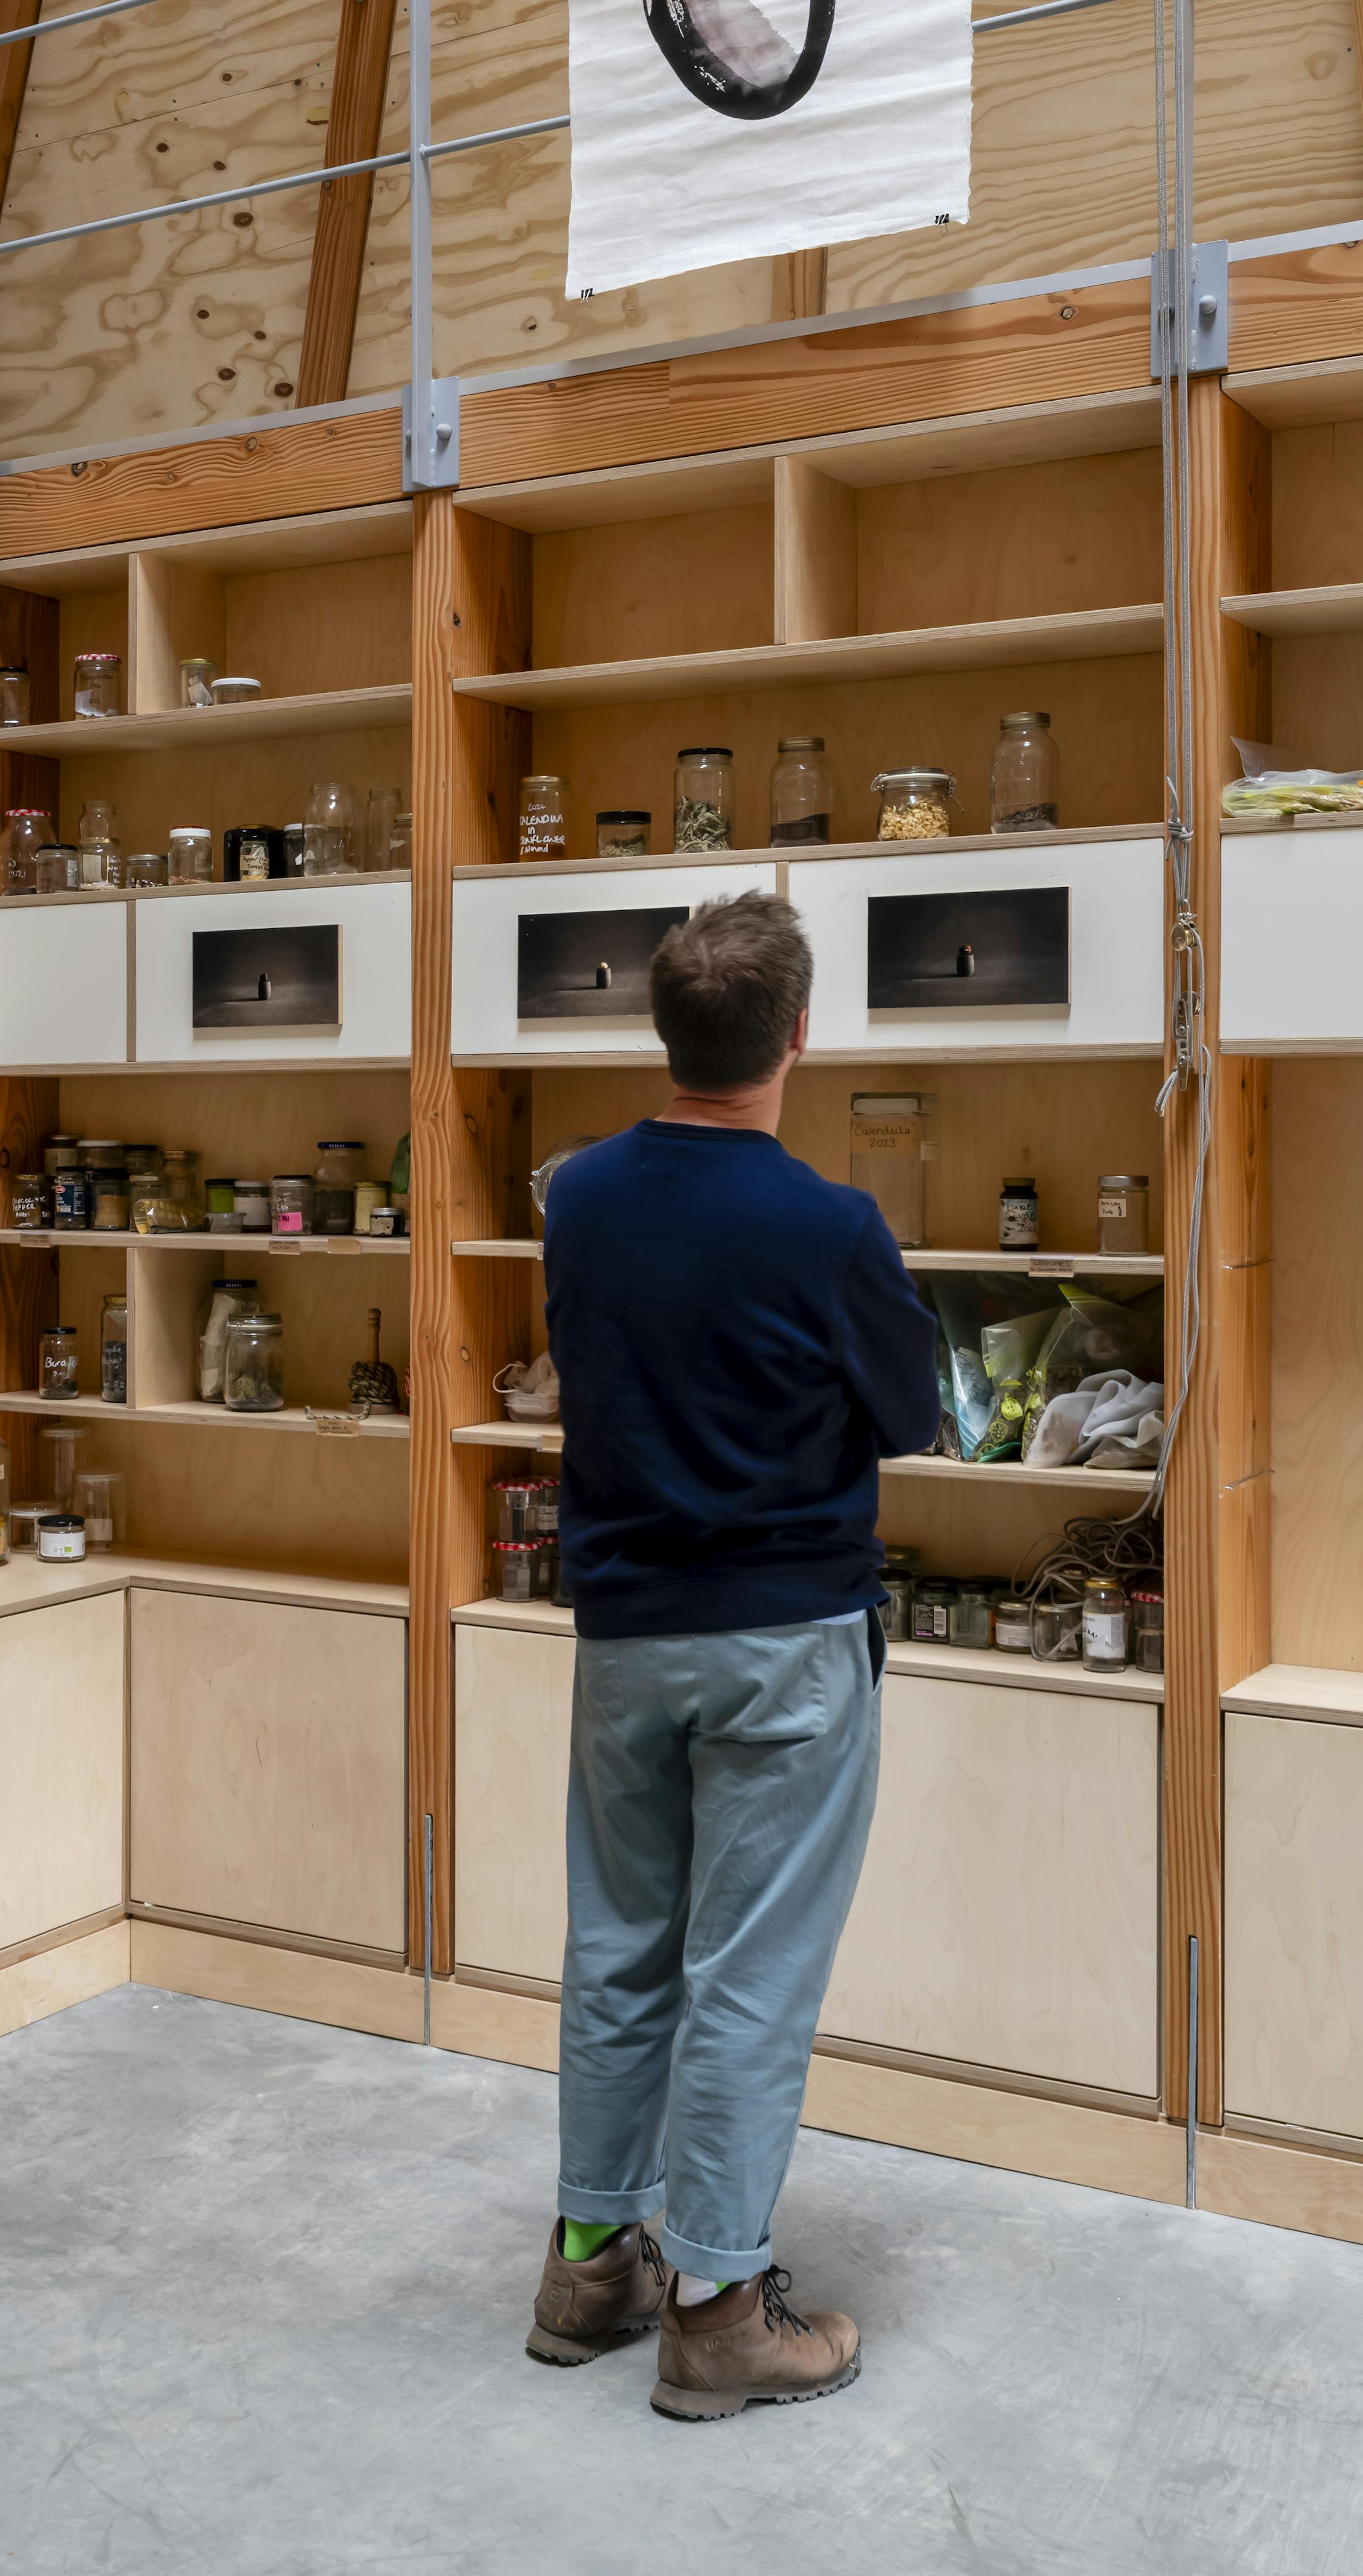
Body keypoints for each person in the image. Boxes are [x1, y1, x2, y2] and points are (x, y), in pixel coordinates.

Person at [522, 888, 936, 2421]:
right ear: (799, 1037)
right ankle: (715, 2307)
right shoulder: (830, 1225)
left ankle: (588, 2264)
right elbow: (911, 1413)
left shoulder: (583, 1197)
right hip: (783, 1645)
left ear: (663, 1030)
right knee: (748, 1974)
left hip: (624, 1637)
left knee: (619, 1947)